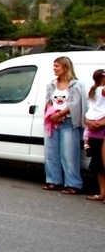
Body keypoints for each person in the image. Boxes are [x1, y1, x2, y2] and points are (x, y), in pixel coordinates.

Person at [41, 55, 86, 194]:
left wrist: (61, 114)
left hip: (68, 121)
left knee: (69, 154)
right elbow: (48, 101)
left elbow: (75, 103)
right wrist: (51, 114)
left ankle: (73, 184)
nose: (54, 69)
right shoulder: (52, 84)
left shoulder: (76, 85)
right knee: (51, 153)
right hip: (52, 122)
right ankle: (53, 181)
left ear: (65, 67)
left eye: (56, 66)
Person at [84, 69, 105, 202]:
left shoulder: (93, 90)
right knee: (99, 163)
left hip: (94, 128)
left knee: (99, 163)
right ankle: (103, 193)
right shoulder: (100, 90)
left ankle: (103, 192)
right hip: (98, 128)